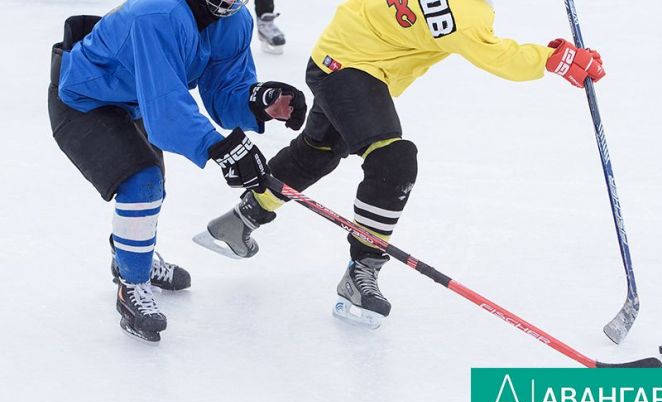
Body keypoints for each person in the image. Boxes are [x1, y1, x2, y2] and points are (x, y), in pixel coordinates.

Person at [196, 0, 605, 329]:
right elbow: (496, 56)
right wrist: (554, 60)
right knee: (393, 160)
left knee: (317, 153)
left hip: (338, 55)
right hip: (351, 67)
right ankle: (363, 269)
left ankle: (240, 219)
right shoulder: (465, 14)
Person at [47, 0, 307, 342]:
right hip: (84, 101)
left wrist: (259, 101)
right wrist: (221, 149)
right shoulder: (156, 13)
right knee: (141, 183)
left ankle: (129, 257)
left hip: (134, 100)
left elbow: (224, 92)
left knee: (152, 187)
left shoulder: (234, 20)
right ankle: (132, 285)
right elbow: (167, 109)